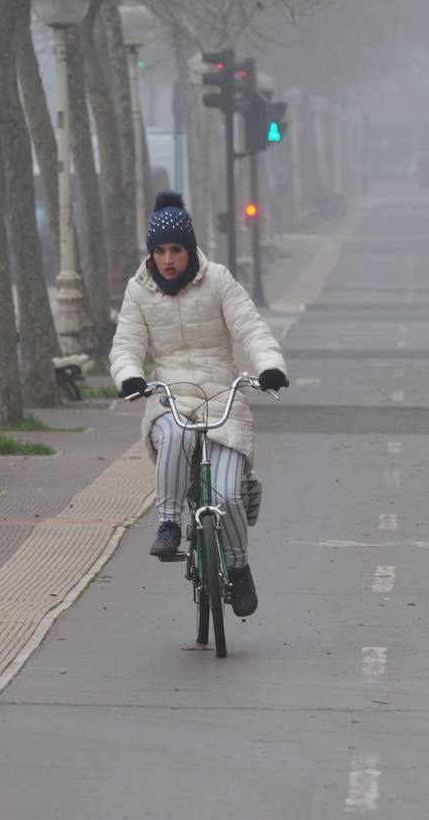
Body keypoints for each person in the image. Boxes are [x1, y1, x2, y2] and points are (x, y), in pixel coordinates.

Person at [110, 192, 289, 617]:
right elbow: (126, 346)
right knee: (171, 435)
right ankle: (169, 523)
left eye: (176, 249)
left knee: (227, 497)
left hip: (222, 397)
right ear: (151, 254)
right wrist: (129, 377)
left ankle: (240, 570)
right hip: (170, 397)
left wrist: (270, 366)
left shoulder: (220, 281)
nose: (168, 259)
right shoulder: (138, 292)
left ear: (190, 250)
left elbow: (252, 329)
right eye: (160, 251)